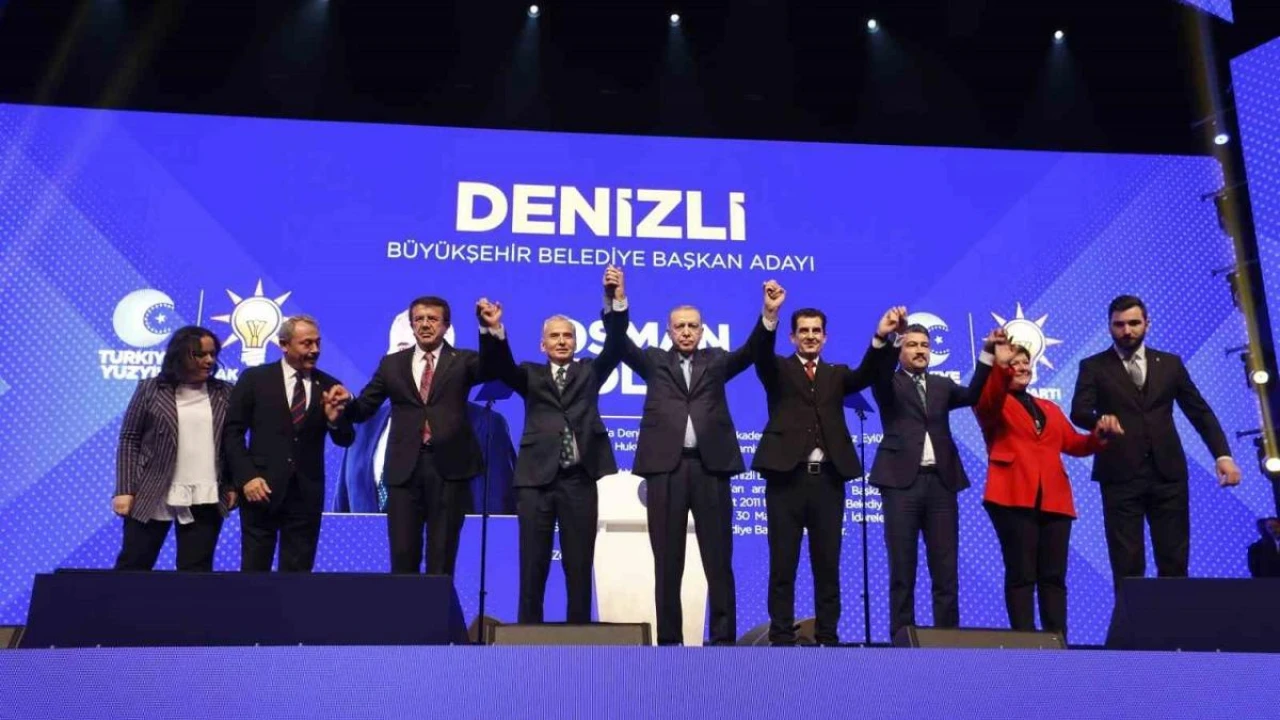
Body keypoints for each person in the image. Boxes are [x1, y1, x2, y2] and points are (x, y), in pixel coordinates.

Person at [618, 281, 776, 645]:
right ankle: (670, 641)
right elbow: (619, 343)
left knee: (718, 560)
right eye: (680, 326)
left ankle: (723, 641)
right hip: (666, 470)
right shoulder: (655, 361)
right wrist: (618, 301)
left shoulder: (716, 361)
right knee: (667, 562)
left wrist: (769, 315)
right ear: (669, 331)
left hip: (711, 468)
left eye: (693, 326)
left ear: (702, 331)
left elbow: (752, 351)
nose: (686, 332)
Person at [476, 267, 629, 623]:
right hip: (535, 482)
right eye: (554, 336)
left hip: (579, 480)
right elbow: (500, 366)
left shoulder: (589, 372)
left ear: (576, 342)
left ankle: (579, 635)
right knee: (533, 563)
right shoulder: (529, 374)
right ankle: (528, 634)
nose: (561, 341)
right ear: (542, 345)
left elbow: (616, 345)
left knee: (579, 564)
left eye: (568, 336)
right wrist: (494, 330)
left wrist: (616, 301)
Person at [751, 285, 901, 646]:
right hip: (785, 480)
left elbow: (868, 374)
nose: (810, 336)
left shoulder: (836, 374)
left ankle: (828, 636)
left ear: (825, 337)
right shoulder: (777, 369)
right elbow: (760, 353)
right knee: (783, 563)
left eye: (816, 331)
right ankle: (781, 636)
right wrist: (770, 314)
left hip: (828, 482)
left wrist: (881, 337)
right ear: (792, 336)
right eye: (803, 331)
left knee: (827, 564)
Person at [1070, 295, 1241, 594]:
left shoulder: (1170, 364)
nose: (1127, 331)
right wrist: (1099, 420)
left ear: (1147, 324)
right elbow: (1079, 411)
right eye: (1119, 324)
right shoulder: (1093, 366)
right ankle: (1133, 624)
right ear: (1109, 327)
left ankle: (1175, 624)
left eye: (1134, 323)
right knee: (1127, 565)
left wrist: (1222, 456)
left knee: (1174, 561)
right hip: (1120, 476)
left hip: (1168, 475)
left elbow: (1199, 412)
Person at [974, 336, 1120, 637]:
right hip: (1011, 496)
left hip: (1054, 499)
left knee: (1054, 577)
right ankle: (1025, 643)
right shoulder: (992, 403)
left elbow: (1074, 444)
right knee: (1022, 574)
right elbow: (989, 399)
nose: (1021, 367)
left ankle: (1057, 640)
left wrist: (1099, 437)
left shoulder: (1049, 407)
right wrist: (999, 365)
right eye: (1014, 363)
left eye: (1025, 362)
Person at [345, 296, 493, 574]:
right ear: (412, 325)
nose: (425, 324)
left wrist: (489, 329)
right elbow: (364, 407)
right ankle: (405, 606)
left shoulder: (464, 361)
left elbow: (496, 366)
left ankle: (436, 605)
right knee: (402, 558)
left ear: (445, 325)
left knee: (442, 559)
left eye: (432, 319)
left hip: (449, 470)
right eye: (419, 319)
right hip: (404, 471)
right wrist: (344, 404)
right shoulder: (391, 364)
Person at [870, 318, 994, 640]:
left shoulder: (941, 385)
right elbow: (878, 373)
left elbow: (973, 395)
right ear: (901, 350)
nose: (920, 351)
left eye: (924, 345)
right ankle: (902, 637)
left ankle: (948, 638)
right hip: (900, 485)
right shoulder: (888, 383)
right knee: (902, 567)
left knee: (945, 568)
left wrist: (987, 354)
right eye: (912, 345)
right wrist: (891, 339)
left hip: (941, 484)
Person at [332, 315, 515, 515]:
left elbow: (499, 516)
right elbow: (342, 516)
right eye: (403, 350)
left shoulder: (486, 426)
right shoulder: (362, 426)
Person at [224, 314, 354, 572]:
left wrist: (335, 421)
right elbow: (232, 432)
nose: (315, 350)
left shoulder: (329, 385)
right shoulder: (255, 379)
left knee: (298, 576)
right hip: (260, 490)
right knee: (254, 572)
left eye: (317, 343)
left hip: (305, 495)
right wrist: (246, 477)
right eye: (307, 343)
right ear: (284, 345)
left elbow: (346, 438)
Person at [113, 326, 237, 571]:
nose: (209, 360)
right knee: (134, 564)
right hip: (152, 491)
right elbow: (129, 439)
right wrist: (125, 489)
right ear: (179, 355)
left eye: (212, 354)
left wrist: (232, 485)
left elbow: (233, 443)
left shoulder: (225, 392)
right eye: (200, 355)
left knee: (195, 573)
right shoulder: (150, 389)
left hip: (206, 494)